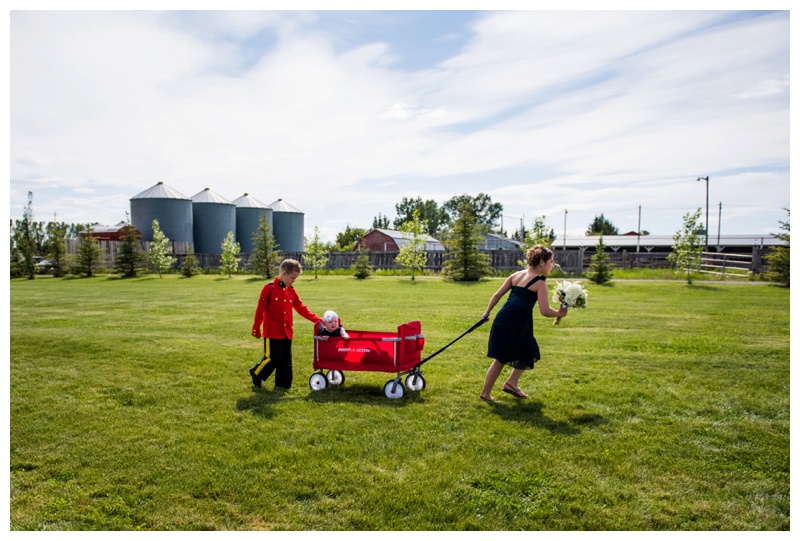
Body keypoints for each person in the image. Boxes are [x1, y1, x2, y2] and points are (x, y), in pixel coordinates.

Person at [479, 245, 567, 402]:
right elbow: (545, 311)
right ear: (541, 262)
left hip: (503, 318)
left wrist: (487, 312)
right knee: (518, 353)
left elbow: (497, 294)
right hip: (517, 322)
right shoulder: (540, 284)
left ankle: (508, 385)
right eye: (551, 262)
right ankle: (497, 389)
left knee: (518, 352)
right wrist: (560, 313)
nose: (553, 265)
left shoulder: (516, 275)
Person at [249, 259, 322, 390]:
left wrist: (317, 320)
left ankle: (283, 385)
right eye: (292, 278)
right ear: (283, 273)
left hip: (287, 332)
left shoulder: (291, 291)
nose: (294, 281)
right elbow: (260, 309)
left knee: (286, 360)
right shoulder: (269, 288)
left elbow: (301, 308)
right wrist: (256, 327)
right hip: (272, 332)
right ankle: (256, 372)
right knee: (273, 357)